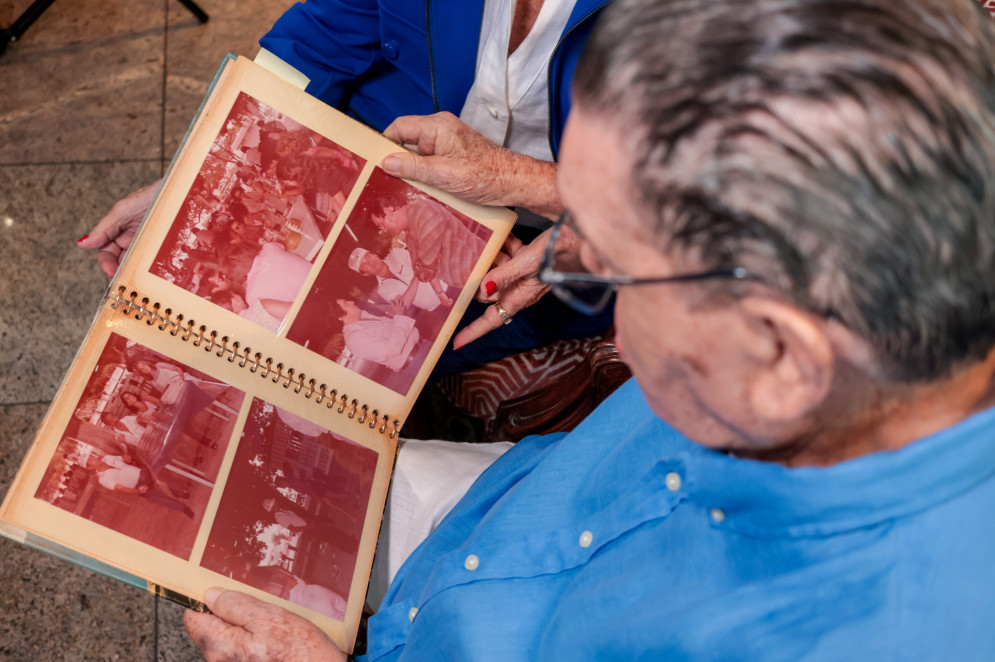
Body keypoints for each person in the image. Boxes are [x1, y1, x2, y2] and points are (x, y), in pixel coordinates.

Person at [183, 0, 995, 659]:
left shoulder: (880, 629)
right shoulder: (822, 344)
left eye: (624, 273)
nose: (610, 326)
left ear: (781, 354)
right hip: (494, 513)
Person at [77, 0, 617, 372]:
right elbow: (316, 43)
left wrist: (539, 187)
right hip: (381, 179)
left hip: (549, 240)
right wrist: (201, 177)